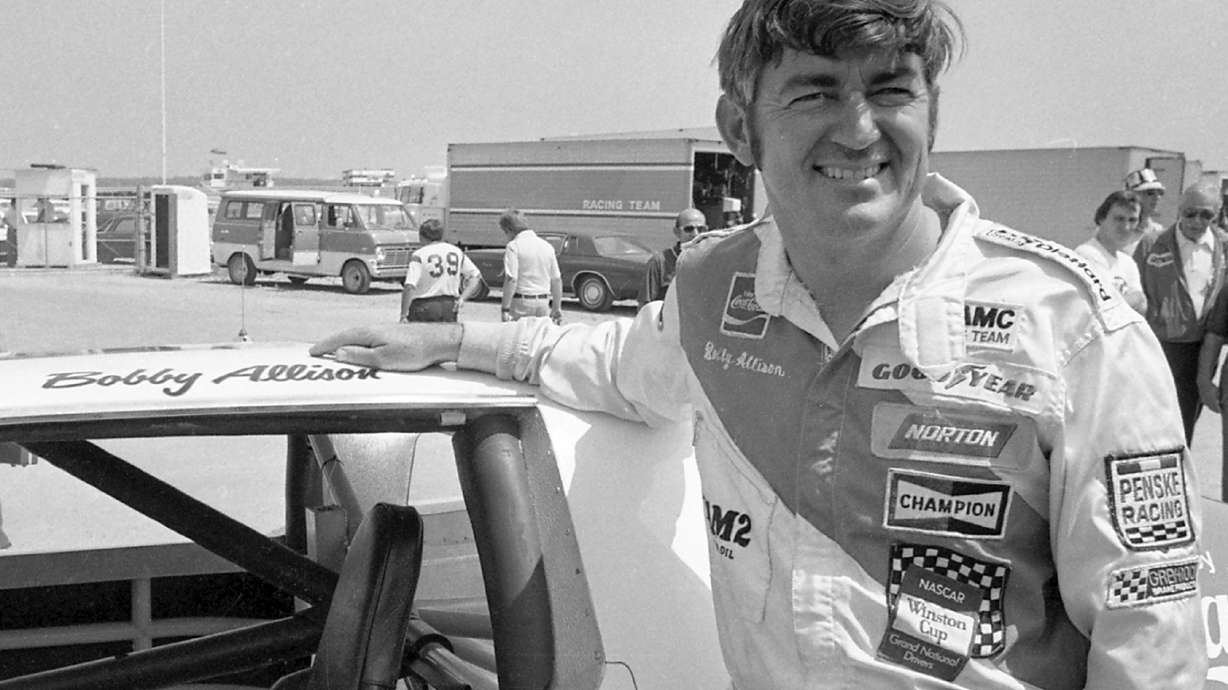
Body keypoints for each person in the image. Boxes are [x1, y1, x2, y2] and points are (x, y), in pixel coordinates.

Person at [313, 1, 1205, 686]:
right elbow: (615, 369)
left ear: (932, 114)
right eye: (816, 91)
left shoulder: (1077, 331)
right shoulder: (712, 287)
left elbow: (1151, 635)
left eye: (891, 89)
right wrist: (452, 339)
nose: (859, 129)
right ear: (740, 127)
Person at [1136, 183, 1228, 444]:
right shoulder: (1152, 244)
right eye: (1190, 213)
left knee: (1186, 421)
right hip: (1162, 345)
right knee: (1153, 422)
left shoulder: (1223, 245)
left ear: (1216, 214)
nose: (1197, 221)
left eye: (1206, 215)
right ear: (1179, 210)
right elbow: (1135, 291)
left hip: (1204, 346)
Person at [1074, 190, 1147, 313]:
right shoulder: (1087, 254)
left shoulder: (1128, 262)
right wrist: (1134, 299)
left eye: (1132, 220)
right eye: (1119, 219)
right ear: (1101, 219)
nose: (1126, 227)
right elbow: (1104, 307)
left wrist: (1128, 301)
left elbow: (1142, 306)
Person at [399, 219, 482, 323]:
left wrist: (403, 314)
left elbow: (410, 286)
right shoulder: (457, 252)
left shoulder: (419, 255)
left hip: (424, 305)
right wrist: (462, 298)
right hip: (450, 305)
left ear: (421, 236)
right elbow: (475, 276)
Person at [497, 209, 562, 323]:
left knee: (518, 334)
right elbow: (556, 279)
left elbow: (511, 279)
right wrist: (556, 308)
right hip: (543, 302)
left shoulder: (513, 246)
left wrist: (505, 308)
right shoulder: (547, 246)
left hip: (521, 301)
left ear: (509, 230)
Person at [639, 207, 707, 306]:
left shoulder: (712, 261)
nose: (695, 234)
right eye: (689, 229)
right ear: (677, 232)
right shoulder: (659, 262)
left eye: (701, 229)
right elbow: (645, 307)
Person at [1124, 167, 1166, 255]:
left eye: (1160, 193)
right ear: (1132, 196)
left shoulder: (1159, 232)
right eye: (1150, 193)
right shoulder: (1117, 228)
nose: (1157, 197)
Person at [2, 199, 20, 268]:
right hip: (11, 231)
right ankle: (10, 263)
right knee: (10, 247)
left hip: (18, 230)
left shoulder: (18, 211)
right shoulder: (9, 211)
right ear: (13, 203)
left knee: (16, 247)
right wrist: (10, 226)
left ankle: (15, 262)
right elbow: (4, 219)